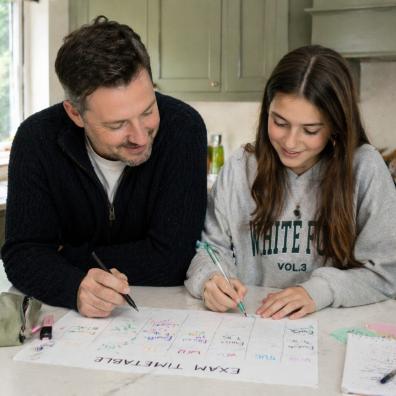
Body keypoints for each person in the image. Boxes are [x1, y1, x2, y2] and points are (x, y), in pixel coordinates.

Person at [2, 16, 207, 318]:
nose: (140, 136)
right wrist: (73, 287)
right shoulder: (36, 140)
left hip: (164, 315)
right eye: (117, 124)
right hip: (67, 324)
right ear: (75, 113)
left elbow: (174, 259)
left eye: (148, 110)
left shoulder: (184, 129)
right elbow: (22, 254)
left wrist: (64, 256)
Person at [185, 45, 396, 319]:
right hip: (250, 325)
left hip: (331, 327)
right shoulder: (240, 168)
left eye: (310, 130)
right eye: (280, 122)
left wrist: (319, 291)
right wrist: (210, 279)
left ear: (336, 127)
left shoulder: (364, 167)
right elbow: (209, 250)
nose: (290, 142)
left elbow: (387, 273)